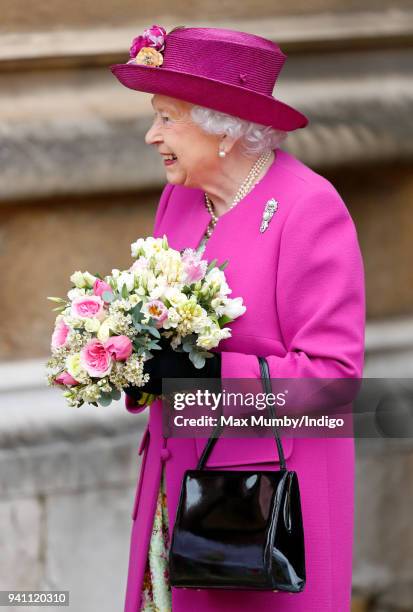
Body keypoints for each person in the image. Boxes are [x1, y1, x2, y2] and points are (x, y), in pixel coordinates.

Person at [110, 25, 365, 612]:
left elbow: (333, 376)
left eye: (168, 118)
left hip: (268, 503)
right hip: (179, 485)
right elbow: (166, 333)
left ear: (223, 127)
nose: (153, 136)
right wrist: (127, 359)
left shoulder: (309, 208)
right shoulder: (180, 196)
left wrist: (207, 379)